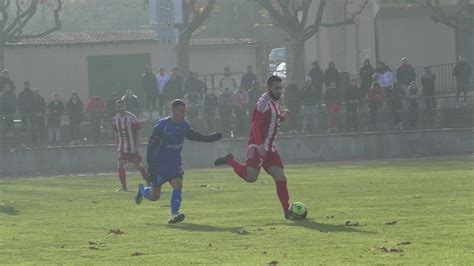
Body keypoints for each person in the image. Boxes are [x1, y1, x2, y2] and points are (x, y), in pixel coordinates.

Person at [213, 75, 293, 219]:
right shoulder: (263, 103)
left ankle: (287, 211)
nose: (279, 91)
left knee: (280, 177)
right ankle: (230, 160)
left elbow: (272, 120)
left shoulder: (275, 102)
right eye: (276, 88)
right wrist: (260, 145)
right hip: (257, 146)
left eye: (281, 88)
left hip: (271, 147)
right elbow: (255, 125)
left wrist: (282, 117)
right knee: (251, 177)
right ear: (268, 88)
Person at [134, 99, 222, 224]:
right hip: (159, 164)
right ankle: (142, 189)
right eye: (181, 112)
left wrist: (211, 138)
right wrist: (151, 169)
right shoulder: (161, 126)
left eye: (185, 112)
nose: (184, 114)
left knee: (178, 184)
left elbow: (193, 136)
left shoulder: (184, 125)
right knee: (155, 196)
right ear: (173, 111)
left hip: (174, 163)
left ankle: (175, 214)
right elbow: (151, 148)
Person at [112, 99, 148, 192]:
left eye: (122, 106)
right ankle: (124, 187)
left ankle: (149, 182)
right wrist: (117, 145)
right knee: (120, 165)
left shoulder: (131, 117)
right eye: (118, 107)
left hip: (132, 146)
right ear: (116, 108)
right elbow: (116, 133)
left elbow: (138, 132)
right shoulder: (115, 118)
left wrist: (137, 145)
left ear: (125, 106)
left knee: (138, 165)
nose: (120, 108)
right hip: (122, 146)